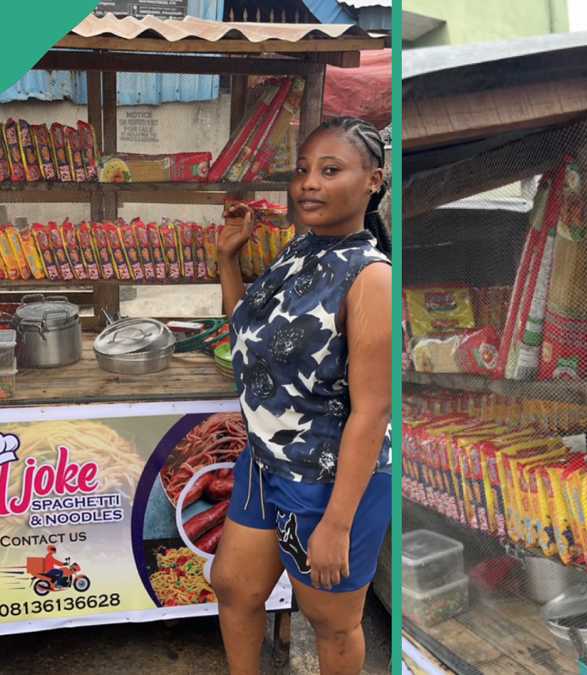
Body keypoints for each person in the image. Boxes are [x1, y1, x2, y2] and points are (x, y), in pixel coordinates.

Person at [211, 116, 392, 675]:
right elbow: (245, 329)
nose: (308, 183)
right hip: (266, 463)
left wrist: (337, 522)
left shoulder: (371, 278)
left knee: (331, 623)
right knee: (234, 589)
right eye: (303, 171)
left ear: (373, 182)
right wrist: (228, 259)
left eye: (330, 170)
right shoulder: (299, 253)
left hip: (327, 481)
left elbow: (374, 410)